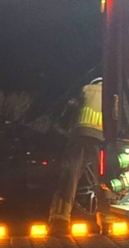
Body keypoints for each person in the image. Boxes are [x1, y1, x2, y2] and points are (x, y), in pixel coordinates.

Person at [48, 77, 113, 236]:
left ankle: (59, 221)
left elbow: (71, 111)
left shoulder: (84, 89)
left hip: (79, 135)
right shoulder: (111, 92)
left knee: (70, 178)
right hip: (101, 138)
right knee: (104, 180)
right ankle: (107, 223)